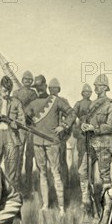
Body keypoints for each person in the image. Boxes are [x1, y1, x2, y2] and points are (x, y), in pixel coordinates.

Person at [25, 75, 77, 216]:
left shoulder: (56, 101)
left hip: (52, 141)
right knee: (42, 173)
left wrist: (64, 126)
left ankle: (61, 208)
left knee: (55, 173)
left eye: (41, 86)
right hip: (37, 142)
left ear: (45, 85)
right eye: (36, 87)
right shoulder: (33, 103)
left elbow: (72, 113)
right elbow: (25, 118)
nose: (39, 89)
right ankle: (46, 205)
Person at [78, 74, 112, 215]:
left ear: (106, 88)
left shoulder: (111, 105)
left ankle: (107, 207)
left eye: (99, 85)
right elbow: (88, 122)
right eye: (95, 85)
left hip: (104, 144)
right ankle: (87, 202)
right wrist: (84, 126)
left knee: (105, 177)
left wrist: (94, 129)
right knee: (83, 172)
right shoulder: (92, 104)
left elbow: (111, 127)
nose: (96, 87)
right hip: (91, 143)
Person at [12, 70, 38, 191]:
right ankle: (17, 182)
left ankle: (28, 182)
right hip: (20, 127)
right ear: (22, 80)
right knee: (19, 154)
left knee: (30, 155)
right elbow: (13, 109)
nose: (28, 81)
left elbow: (37, 108)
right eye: (26, 79)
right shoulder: (16, 93)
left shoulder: (34, 93)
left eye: (30, 80)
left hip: (31, 127)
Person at [48, 78, 71, 188]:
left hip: (60, 137)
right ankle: (52, 186)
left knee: (62, 161)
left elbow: (70, 116)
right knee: (50, 162)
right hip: (47, 137)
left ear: (59, 89)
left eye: (55, 88)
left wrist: (64, 127)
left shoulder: (63, 101)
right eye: (51, 88)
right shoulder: (45, 102)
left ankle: (66, 185)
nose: (53, 90)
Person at [72, 84, 92, 174]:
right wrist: (76, 131)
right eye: (85, 92)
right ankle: (80, 178)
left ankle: (91, 180)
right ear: (82, 93)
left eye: (89, 92)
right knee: (81, 155)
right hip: (81, 134)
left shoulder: (93, 103)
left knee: (92, 156)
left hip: (91, 134)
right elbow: (72, 117)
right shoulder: (78, 104)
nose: (87, 93)